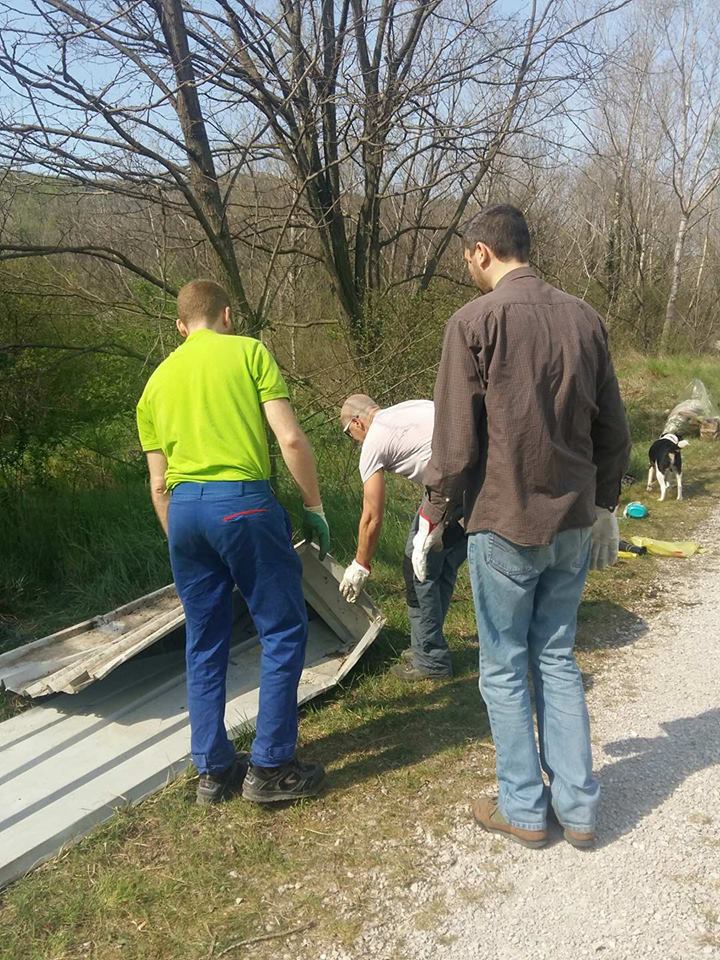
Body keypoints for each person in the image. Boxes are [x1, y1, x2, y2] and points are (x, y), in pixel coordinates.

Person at [413, 205, 630, 849]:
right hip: (570, 520)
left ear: (481, 252)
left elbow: (453, 443)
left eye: (466, 258)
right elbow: (613, 431)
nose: (467, 267)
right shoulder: (585, 319)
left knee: (504, 667)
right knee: (557, 656)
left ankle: (526, 809)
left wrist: (432, 512)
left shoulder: (473, 322)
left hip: (504, 520)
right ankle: (580, 810)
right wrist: (606, 506)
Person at [136, 279, 330, 805]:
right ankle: (269, 766)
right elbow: (289, 438)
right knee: (284, 627)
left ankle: (214, 770)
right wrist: (313, 505)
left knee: (204, 641)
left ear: (181, 326)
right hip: (242, 501)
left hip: (183, 512)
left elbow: (157, 483)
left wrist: (181, 534)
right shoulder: (249, 352)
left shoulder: (155, 383)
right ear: (227, 314)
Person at [339, 394, 467, 681]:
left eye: (350, 435)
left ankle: (430, 661)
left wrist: (361, 565)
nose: (354, 442)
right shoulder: (409, 408)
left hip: (448, 489)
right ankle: (426, 645)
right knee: (440, 565)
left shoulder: (374, 442)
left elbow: (372, 516)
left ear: (357, 422)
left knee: (417, 568)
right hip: (475, 483)